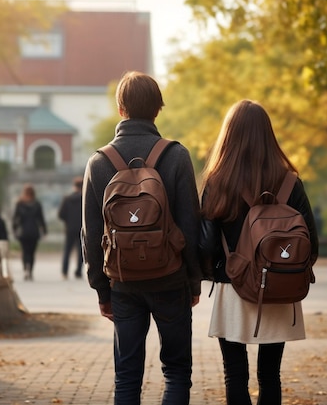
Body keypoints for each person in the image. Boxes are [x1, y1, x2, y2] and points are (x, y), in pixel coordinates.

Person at [82, 71, 202, 405]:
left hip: (123, 282)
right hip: (171, 278)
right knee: (176, 373)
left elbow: (91, 235)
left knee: (127, 377)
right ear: (158, 109)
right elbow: (190, 225)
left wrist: (101, 289)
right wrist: (193, 282)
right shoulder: (176, 156)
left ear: (121, 109)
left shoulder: (99, 162)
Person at [198, 100, 319, 405]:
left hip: (232, 285)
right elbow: (311, 243)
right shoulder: (290, 181)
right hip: (278, 283)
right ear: (268, 134)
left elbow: (206, 243)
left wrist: (213, 272)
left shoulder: (218, 181)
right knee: (270, 375)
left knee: (234, 373)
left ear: (230, 134)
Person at [12, 184, 47, 281]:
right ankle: (30, 271)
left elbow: (15, 218)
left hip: (23, 232)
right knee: (31, 253)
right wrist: (44, 230)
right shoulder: (37, 204)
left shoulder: (19, 204)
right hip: (34, 231)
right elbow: (41, 219)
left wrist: (14, 229)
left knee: (24, 252)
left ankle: (25, 269)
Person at [58, 176, 84, 280]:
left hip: (69, 228)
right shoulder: (84, 199)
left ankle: (64, 272)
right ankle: (78, 271)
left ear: (74, 186)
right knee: (80, 250)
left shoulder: (67, 199)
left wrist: (67, 220)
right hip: (81, 228)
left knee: (67, 250)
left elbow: (61, 214)